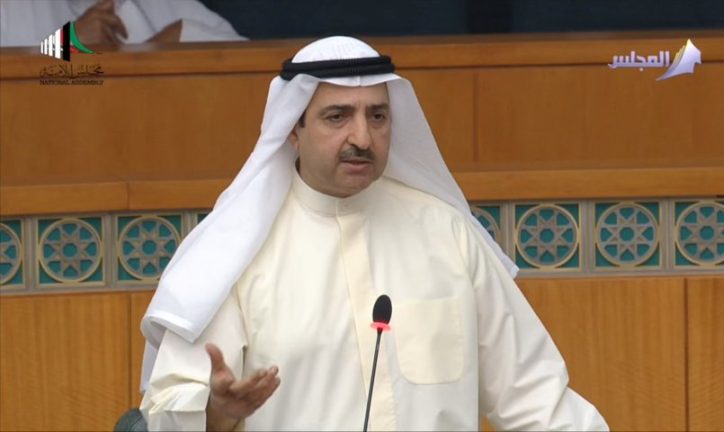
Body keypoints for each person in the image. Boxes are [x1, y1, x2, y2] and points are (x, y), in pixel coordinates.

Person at [139, 36, 609, 431]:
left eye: (377, 116)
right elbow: (163, 413)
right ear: (293, 130)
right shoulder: (234, 252)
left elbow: (536, 398)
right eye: (337, 116)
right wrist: (218, 413)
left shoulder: (446, 233)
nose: (362, 138)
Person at [0, 0, 244, 47]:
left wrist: (157, 55)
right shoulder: (10, 9)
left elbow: (255, 78)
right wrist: (68, 45)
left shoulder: (170, 6)